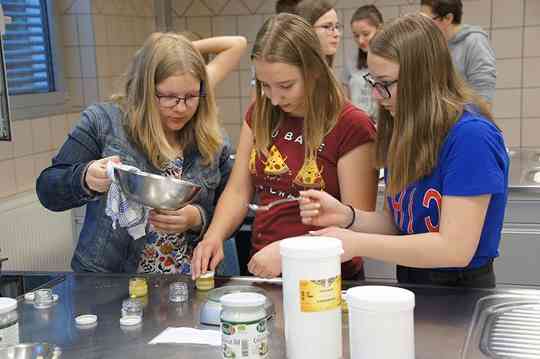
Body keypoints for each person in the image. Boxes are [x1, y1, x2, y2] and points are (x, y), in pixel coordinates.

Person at [299, 14, 509, 288]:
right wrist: (348, 216)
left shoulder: (471, 137)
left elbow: (455, 248)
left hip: (460, 289)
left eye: (385, 84)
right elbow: (398, 223)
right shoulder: (404, 129)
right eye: (374, 82)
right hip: (413, 282)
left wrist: (356, 243)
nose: (377, 95)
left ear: (424, 77)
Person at [36, 33, 247, 273]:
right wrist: (84, 177)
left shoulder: (212, 139)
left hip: (189, 283)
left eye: (190, 97)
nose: (180, 108)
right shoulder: (104, 122)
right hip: (111, 284)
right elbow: (47, 189)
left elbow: (233, 209)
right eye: (167, 97)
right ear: (145, 89)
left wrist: (196, 218)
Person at [191, 14, 378, 280]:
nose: (275, 99)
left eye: (286, 86)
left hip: (329, 278)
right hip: (266, 270)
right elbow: (238, 191)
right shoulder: (260, 112)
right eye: (265, 85)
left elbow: (355, 225)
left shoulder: (352, 125)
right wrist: (213, 236)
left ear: (314, 72)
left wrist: (289, 251)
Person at [420, 0, 496, 105]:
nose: (423, 26)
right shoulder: (433, 46)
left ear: (448, 18)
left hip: (466, 119)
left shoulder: (474, 41)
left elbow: (484, 94)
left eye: (427, 21)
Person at [342, 4, 383, 120]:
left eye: (366, 34)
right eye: (356, 35)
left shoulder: (391, 59)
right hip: (358, 124)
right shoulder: (351, 60)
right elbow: (346, 99)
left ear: (379, 29)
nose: (360, 40)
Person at [295, 0, 342, 67]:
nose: (337, 34)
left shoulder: (325, 68)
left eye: (337, 27)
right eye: (326, 26)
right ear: (306, 30)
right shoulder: (292, 72)